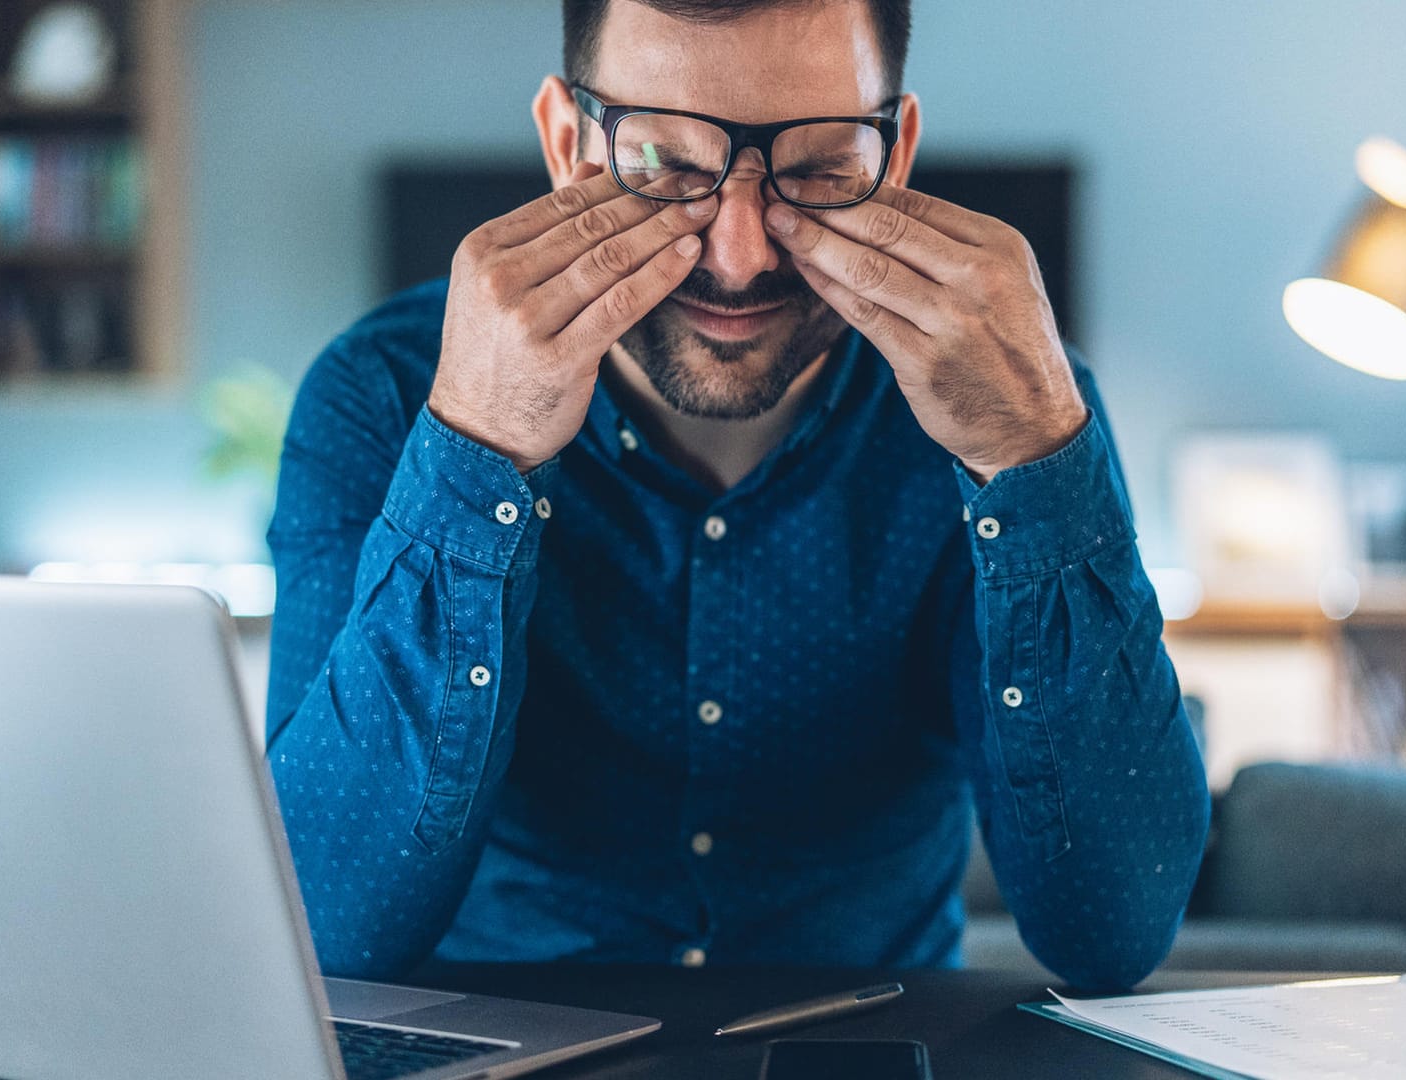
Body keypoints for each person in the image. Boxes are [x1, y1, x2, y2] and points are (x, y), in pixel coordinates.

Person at [266, 0, 1208, 992]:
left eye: (815, 170)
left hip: (870, 1043)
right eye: (666, 167)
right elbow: (326, 931)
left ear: (896, 153)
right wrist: (477, 445)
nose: (740, 256)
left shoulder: (1017, 402)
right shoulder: (382, 393)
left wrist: (1032, 458)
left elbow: (1114, 934)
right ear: (565, 144)